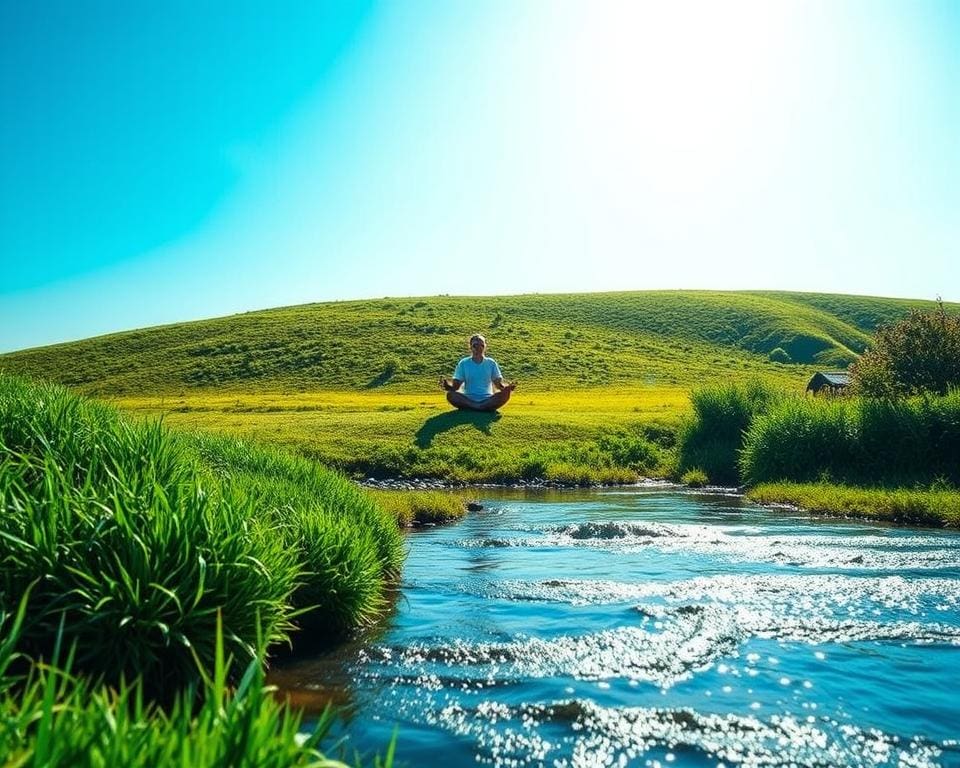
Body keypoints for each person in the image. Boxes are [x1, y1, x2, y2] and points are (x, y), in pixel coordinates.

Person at [439, 334, 516, 412]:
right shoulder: (464, 363)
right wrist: (448, 386)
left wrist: (508, 388)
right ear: (470, 347)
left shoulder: (491, 363)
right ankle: (480, 407)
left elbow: (498, 385)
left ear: (485, 347)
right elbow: (456, 387)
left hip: (487, 399)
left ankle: (474, 407)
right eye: (475, 345)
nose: (478, 348)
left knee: (505, 394)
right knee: (450, 395)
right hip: (468, 399)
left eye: (481, 345)